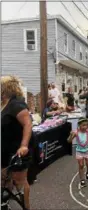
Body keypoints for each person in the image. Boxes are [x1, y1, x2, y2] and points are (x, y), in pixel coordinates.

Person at [1, 76, 32, 210]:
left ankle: (26, 207)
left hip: (17, 150)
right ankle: (5, 203)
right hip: (4, 148)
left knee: (20, 180)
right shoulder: (3, 104)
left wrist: (24, 145)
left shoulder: (16, 104)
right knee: (4, 179)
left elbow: (27, 124)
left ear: (6, 88)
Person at [67, 117, 88, 188]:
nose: (85, 127)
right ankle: (82, 179)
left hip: (87, 150)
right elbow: (69, 141)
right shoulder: (76, 132)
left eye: (86, 125)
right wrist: (70, 135)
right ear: (79, 125)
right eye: (83, 125)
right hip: (79, 151)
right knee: (81, 165)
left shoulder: (87, 131)